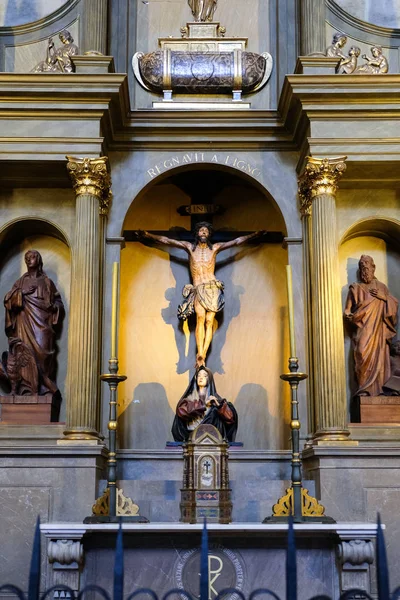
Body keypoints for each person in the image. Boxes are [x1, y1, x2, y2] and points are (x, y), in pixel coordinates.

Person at [139, 222, 264, 366]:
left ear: (209, 234)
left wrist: (254, 235)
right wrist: (149, 236)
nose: (203, 232)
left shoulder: (215, 248)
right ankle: (200, 353)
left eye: (206, 231)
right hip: (198, 288)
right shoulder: (189, 248)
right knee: (200, 317)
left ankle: (202, 354)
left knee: (210, 321)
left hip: (212, 288)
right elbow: (168, 241)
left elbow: (236, 242)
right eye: (201, 230)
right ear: (197, 233)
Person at [3, 250, 64, 396]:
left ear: (39, 260)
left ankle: (44, 388)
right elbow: (8, 301)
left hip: (42, 326)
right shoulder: (20, 282)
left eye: (32, 257)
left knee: (43, 354)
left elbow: (58, 303)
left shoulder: (47, 282)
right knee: (23, 356)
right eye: (27, 258)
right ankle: (24, 389)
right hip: (23, 324)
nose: (29, 260)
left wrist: (54, 307)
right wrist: (21, 293)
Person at [344, 255, 398, 397]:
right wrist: (349, 315)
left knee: (381, 359)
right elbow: (347, 310)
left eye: (367, 266)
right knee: (361, 353)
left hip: (379, 331)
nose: (365, 269)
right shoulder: (355, 288)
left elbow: (393, 308)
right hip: (363, 328)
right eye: (362, 267)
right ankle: (364, 389)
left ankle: (381, 390)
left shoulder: (381, 288)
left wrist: (384, 298)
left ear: (373, 268)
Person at [171, 366, 238, 442]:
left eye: (205, 376)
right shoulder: (189, 398)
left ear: (209, 379)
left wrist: (219, 407)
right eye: (199, 375)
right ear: (196, 378)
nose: (201, 378)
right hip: (192, 437)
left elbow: (230, 419)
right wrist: (203, 404)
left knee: (214, 411)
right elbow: (181, 412)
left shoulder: (215, 400)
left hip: (212, 438)